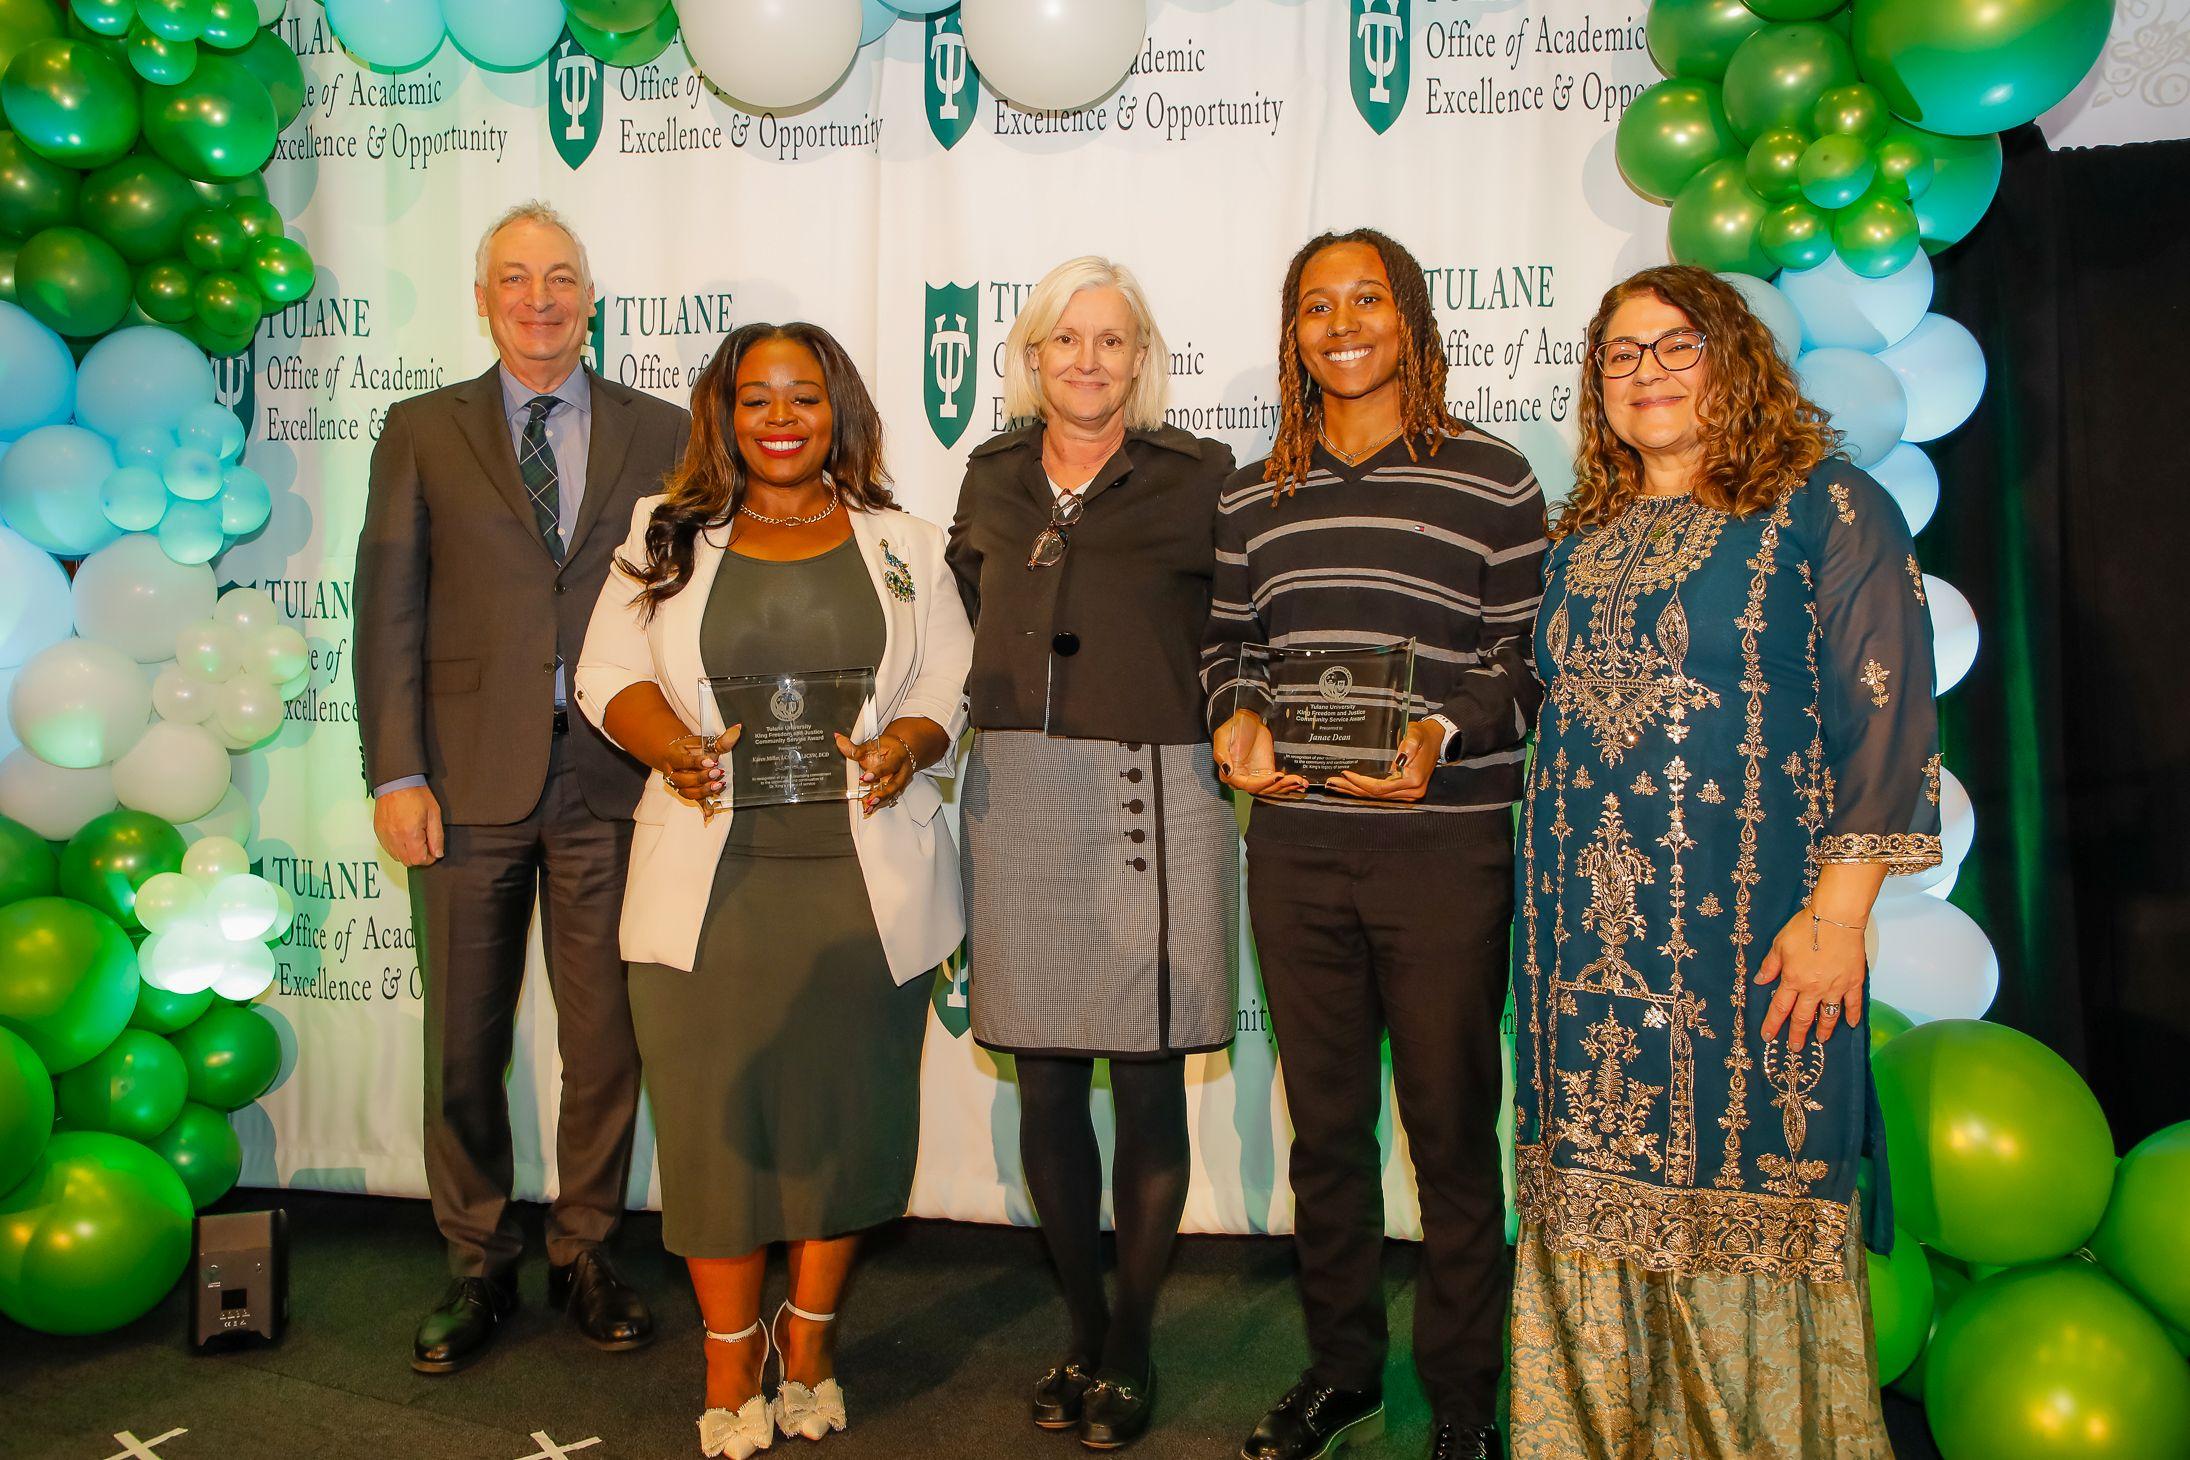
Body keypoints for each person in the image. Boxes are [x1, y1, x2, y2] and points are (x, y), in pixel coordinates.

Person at [1508, 265, 1941, 1458]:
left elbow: (1888, 716)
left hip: (1753, 935)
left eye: (1674, 346)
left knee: (1753, 1177)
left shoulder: (1827, 503)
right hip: (1581, 945)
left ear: (1734, 356)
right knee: (1589, 1172)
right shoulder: (1582, 535)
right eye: (1619, 355)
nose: (1644, 372)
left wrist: (1839, 917)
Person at [575, 320, 972, 1460]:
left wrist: (911, 735)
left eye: (804, 396)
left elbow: (949, 670)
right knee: (715, 1132)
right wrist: (666, 745)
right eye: (757, 398)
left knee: (838, 1126)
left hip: (861, 885)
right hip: (710, 878)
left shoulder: (905, 539)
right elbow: (605, 670)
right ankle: (723, 1354)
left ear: (837, 409)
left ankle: (807, 1342)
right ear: (725, 413)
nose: (781, 417)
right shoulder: (667, 532)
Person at [1200, 228, 1547, 1460]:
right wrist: (1234, 719)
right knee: (1327, 1130)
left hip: (1443, 850)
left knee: (1454, 1128)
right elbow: (1226, 648)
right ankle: (1341, 1370)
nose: (1340, 323)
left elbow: (1527, 653)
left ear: (1411, 321)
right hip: (1295, 848)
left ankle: (1462, 1393)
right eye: (1314, 306)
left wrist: (1442, 732)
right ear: (1292, 335)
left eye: (1366, 300)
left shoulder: (1494, 476)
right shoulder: (1253, 491)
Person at [356, 200, 688, 1374]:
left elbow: (691, 604)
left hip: (613, 781)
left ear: (591, 297)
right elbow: (387, 607)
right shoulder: (420, 429)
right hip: (463, 781)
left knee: (606, 1043)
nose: (538, 298)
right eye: (514, 279)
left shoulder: (665, 430)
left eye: (560, 278)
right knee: (464, 1041)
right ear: (484, 298)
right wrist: (396, 770)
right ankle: (476, 1257)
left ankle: (586, 1247)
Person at [946, 256, 1239, 1451]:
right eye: (1067, 339)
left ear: (1142, 358)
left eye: (1112, 341)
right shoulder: (991, 474)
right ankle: (1078, 1324)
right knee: (1049, 1082)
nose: (1088, 360)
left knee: (1152, 1076)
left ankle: (1130, 1342)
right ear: (1030, 355)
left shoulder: (1200, 476)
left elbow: (1240, 625)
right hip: (1020, 789)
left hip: (1155, 790)